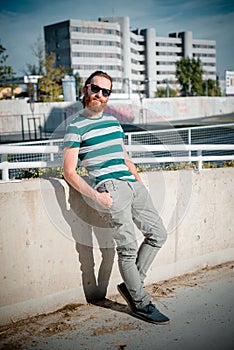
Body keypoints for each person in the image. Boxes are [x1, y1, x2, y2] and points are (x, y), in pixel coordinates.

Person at [63, 70, 170, 325]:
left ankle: (133, 286)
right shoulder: (75, 126)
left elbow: (124, 156)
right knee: (128, 248)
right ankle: (141, 303)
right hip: (109, 188)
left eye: (106, 92)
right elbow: (69, 172)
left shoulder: (113, 123)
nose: (100, 95)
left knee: (158, 234)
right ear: (86, 89)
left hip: (133, 186)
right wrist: (97, 197)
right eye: (96, 89)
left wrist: (140, 183)